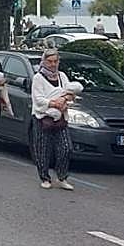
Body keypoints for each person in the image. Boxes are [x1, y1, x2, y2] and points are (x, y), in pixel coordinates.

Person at [30, 49, 78, 190]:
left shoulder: (62, 76)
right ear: (44, 62)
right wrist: (54, 103)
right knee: (43, 149)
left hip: (61, 118)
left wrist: (65, 100)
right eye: (49, 61)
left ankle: (62, 177)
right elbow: (38, 99)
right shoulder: (38, 78)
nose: (52, 64)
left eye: (55, 61)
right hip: (43, 118)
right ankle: (45, 178)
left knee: (66, 148)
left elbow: (71, 93)